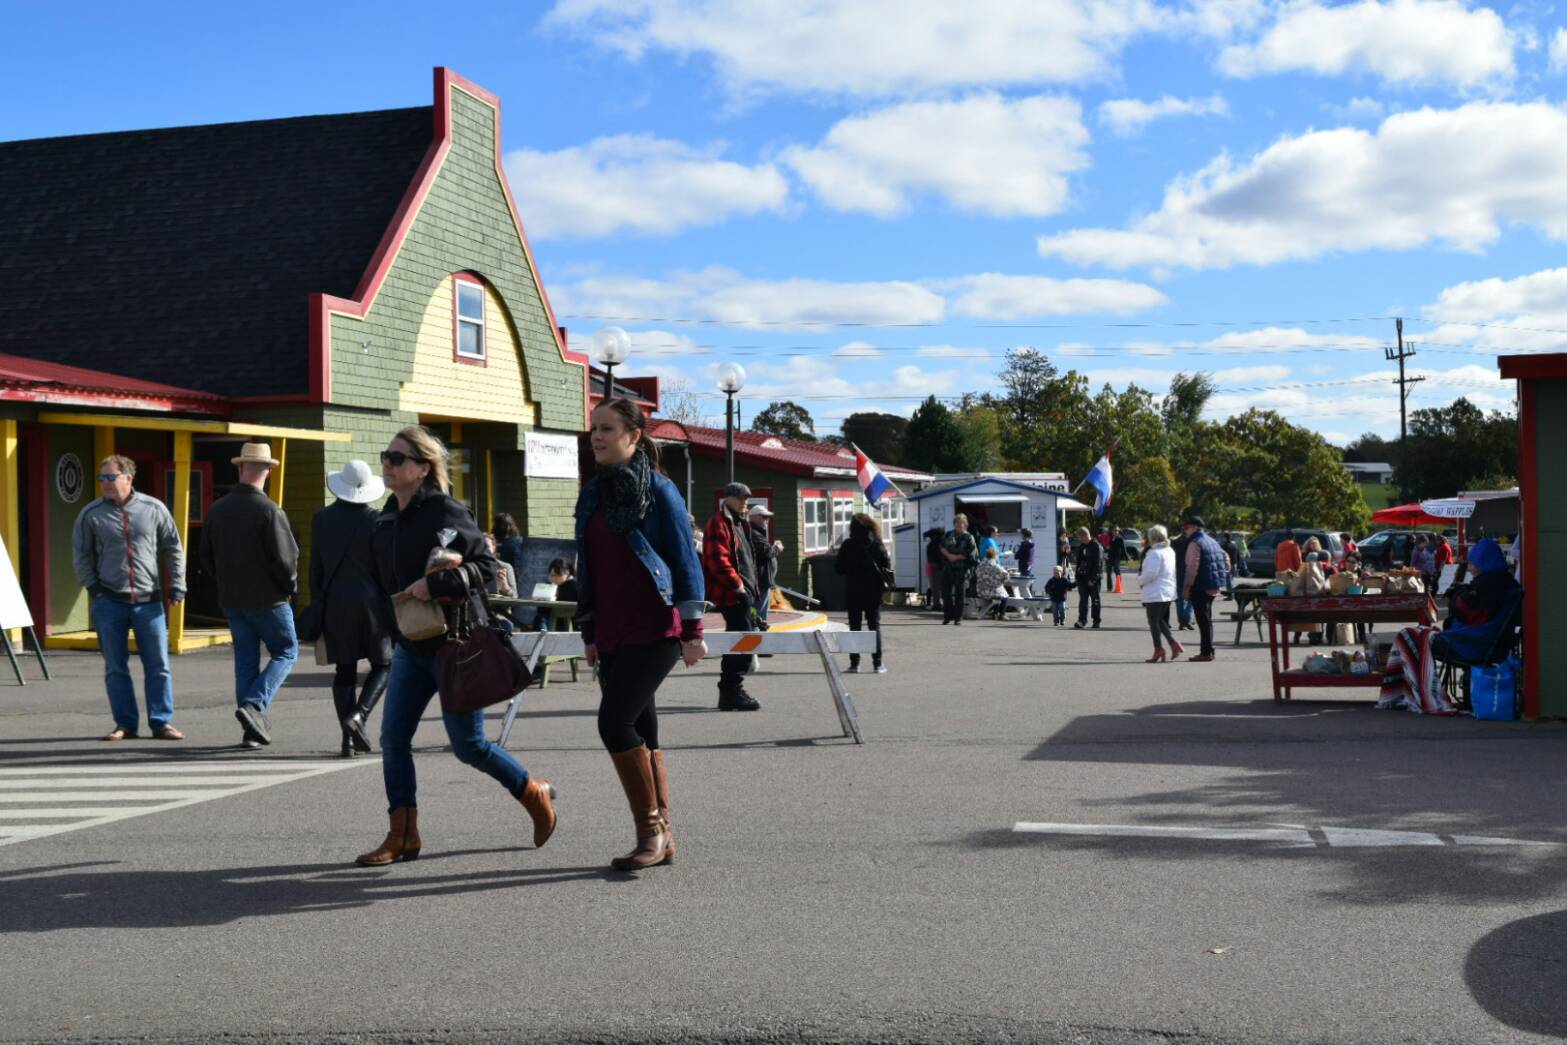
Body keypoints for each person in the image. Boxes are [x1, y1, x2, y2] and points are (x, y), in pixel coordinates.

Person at [356, 426, 556, 867]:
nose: (388, 465)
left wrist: (438, 581)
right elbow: (379, 582)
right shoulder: (385, 519)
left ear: (423, 468)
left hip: (455, 646)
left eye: (398, 458)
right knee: (393, 740)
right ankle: (402, 834)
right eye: (386, 456)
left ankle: (531, 790)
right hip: (410, 646)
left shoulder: (446, 511)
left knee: (469, 747)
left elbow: (487, 568)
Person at [575, 398, 706, 870]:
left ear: (634, 436)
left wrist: (692, 628)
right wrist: (588, 628)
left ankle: (650, 832)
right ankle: (661, 837)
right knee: (644, 729)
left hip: (656, 627)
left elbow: (684, 559)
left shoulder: (661, 491)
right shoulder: (592, 493)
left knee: (614, 723)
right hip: (611, 630)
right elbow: (588, 566)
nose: (597, 437)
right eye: (593, 429)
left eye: (607, 429)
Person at [72, 454, 187, 741]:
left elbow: (173, 547)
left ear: (128, 478)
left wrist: (177, 585)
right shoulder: (91, 514)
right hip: (109, 600)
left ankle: (161, 722)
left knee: (158, 665)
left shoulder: (153, 508)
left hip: (149, 602)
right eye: (102, 478)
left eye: (111, 477)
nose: (106, 484)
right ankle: (125, 724)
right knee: (115, 667)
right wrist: (94, 589)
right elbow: (80, 554)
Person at [202, 442, 300, 749]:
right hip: (269, 598)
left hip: (232, 598)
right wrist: (289, 588)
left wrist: (225, 582)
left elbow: (205, 556)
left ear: (240, 468)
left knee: (246, 660)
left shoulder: (217, 509)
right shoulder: (270, 510)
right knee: (286, 651)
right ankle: (254, 707)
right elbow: (286, 559)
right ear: (269, 471)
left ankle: (250, 730)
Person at [309, 460, 393, 758]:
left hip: (334, 602)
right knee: (384, 664)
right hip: (372, 604)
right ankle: (359, 716)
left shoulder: (321, 520)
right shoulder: (378, 520)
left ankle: (347, 741)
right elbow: (386, 569)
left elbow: (315, 569)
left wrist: (318, 602)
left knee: (344, 669)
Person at [1377, 538, 1519, 715]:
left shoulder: (1489, 585)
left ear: (1484, 562)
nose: (1470, 568)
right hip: (1489, 643)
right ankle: (1408, 691)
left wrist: (1458, 593)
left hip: (1471, 643)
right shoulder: (1506, 583)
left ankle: (1409, 693)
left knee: (1407, 635)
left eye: (1473, 564)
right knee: (1414, 634)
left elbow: (1466, 612)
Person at [702, 481, 762, 710]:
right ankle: (731, 690)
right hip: (732, 593)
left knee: (743, 639)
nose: (744, 502)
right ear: (727, 498)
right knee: (742, 640)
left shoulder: (739, 522)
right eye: (740, 498)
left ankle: (731, 689)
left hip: (742, 591)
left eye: (746, 499)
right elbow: (717, 560)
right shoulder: (718, 522)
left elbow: (746, 559)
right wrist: (738, 587)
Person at [836, 512, 891, 672]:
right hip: (873, 592)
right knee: (874, 626)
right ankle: (878, 663)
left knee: (855, 626)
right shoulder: (877, 544)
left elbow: (839, 569)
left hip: (853, 590)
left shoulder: (847, 545)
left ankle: (855, 663)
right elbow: (886, 564)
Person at [1179, 515, 1229, 662]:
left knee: (1203, 620)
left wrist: (1187, 587)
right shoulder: (1212, 541)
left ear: (1195, 527)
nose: (1185, 531)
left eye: (1186, 528)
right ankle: (1208, 650)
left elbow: (1192, 568)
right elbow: (1226, 560)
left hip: (1200, 586)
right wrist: (1221, 576)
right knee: (1207, 620)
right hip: (1212, 585)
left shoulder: (1195, 543)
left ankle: (1206, 652)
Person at [1138, 524, 1184, 662]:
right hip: (1167, 590)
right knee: (1159, 620)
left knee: (1153, 622)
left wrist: (1140, 579)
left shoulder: (1155, 553)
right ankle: (1173, 644)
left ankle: (1159, 649)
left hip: (1156, 592)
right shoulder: (1169, 550)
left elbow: (1151, 574)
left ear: (1153, 538)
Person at [938, 514, 978, 625]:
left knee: (960, 594)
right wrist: (948, 555)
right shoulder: (948, 535)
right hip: (948, 568)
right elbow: (941, 547)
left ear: (966, 524)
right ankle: (947, 616)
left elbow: (972, 554)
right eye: (957, 522)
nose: (959, 525)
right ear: (954, 523)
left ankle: (957, 618)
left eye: (962, 523)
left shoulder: (969, 537)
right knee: (945, 593)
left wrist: (957, 557)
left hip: (962, 570)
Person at [747, 504, 783, 627]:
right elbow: (767, 552)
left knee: (759, 616)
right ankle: (753, 638)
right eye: (764, 517)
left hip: (762, 581)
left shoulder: (757, 533)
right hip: (759, 582)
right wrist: (777, 548)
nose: (767, 520)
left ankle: (758, 638)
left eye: (768, 517)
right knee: (756, 615)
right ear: (755, 517)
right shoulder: (754, 534)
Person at [1072, 526, 1102, 629]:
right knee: (1083, 601)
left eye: (1080, 538)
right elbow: (1079, 562)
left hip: (1093, 579)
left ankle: (1096, 620)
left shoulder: (1096, 546)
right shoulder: (1082, 547)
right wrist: (1077, 577)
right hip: (1082, 579)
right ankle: (1082, 620)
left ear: (1084, 535)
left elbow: (1098, 565)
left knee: (1095, 601)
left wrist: (1093, 579)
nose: (1079, 540)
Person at [974, 546, 1011, 620]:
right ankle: (1002, 614)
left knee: (998, 595)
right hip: (992, 591)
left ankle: (995, 613)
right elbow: (1006, 576)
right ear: (994, 556)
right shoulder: (996, 566)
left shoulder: (980, 565)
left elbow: (976, 574)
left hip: (981, 590)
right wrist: (1001, 582)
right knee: (1004, 596)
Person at [1170, 526, 1194, 631]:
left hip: (1178, 572)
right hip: (1190, 572)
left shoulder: (1175, 543)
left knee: (1179, 598)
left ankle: (1181, 621)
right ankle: (1187, 619)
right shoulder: (1192, 543)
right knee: (1191, 597)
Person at [924, 527, 948, 613]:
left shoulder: (931, 544)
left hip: (932, 566)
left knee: (934, 587)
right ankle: (938, 604)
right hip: (939, 566)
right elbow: (940, 556)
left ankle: (936, 604)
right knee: (941, 587)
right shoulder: (940, 543)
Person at [1106, 528, 1126, 592]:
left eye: (1117, 531)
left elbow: (1123, 548)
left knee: (1116, 570)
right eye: (1114, 531)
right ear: (1112, 531)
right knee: (1108, 572)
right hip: (1110, 557)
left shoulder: (1120, 539)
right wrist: (1107, 549)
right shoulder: (1110, 538)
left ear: (1118, 532)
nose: (1115, 532)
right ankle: (1109, 588)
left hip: (1117, 557)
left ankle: (1119, 585)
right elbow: (1108, 547)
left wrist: (1126, 557)